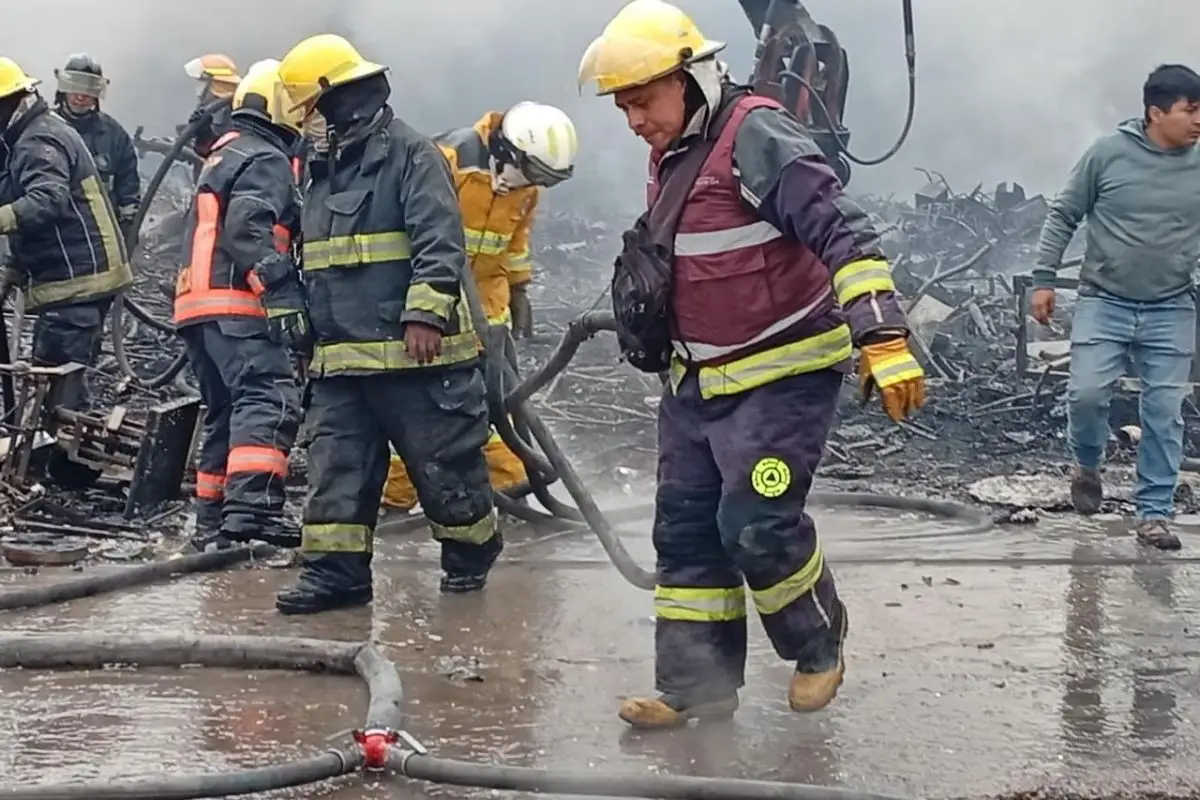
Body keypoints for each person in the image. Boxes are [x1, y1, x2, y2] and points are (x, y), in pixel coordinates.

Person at [578, 0, 925, 729]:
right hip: (697, 383)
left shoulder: (757, 133)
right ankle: (695, 684)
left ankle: (817, 643)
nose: (633, 120)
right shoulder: (673, 149)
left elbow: (845, 234)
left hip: (781, 378)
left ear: (689, 78)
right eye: (623, 108)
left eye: (641, 101)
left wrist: (882, 337)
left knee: (757, 523)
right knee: (686, 533)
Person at [273, 34, 501, 615]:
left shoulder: (410, 154)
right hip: (340, 361)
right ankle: (336, 575)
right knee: (336, 472)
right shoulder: (321, 172)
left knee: (445, 471)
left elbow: (439, 241)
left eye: (312, 112)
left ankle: (470, 556)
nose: (308, 125)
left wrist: (425, 313)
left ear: (339, 100)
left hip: (417, 361)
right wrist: (304, 334)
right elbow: (314, 261)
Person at [1032, 64, 1200, 551]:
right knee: (1085, 397)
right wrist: (1043, 280)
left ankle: (1153, 515)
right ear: (1155, 112)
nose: (1198, 120)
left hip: (1172, 306)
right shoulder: (1107, 155)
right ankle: (1087, 463)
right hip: (1104, 301)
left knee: (1164, 413)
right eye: (1190, 110)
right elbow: (1063, 213)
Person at [381, 101, 577, 512]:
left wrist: (520, 289)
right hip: (429, 305)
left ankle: (512, 490)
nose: (535, 185)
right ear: (508, 151)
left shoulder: (525, 189)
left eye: (546, 179)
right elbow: (409, 228)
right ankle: (395, 501)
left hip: (488, 310)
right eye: (536, 173)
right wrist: (418, 307)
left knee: (497, 404)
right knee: (418, 403)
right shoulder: (449, 160)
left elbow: (515, 244)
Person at [172, 59, 306, 553]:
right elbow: (249, 228)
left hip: (197, 305)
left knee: (225, 410)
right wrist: (280, 292)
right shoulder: (266, 158)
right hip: (237, 302)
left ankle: (211, 521)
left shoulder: (223, 153)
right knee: (269, 397)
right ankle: (253, 509)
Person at [0, 57, 133, 421]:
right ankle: (57, 459)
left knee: (56, 378)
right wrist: (14, 266)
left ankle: (63, 465)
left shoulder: (38, 139)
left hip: (78, 279)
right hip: (75, 277)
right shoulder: (30, 135)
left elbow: (48, 201)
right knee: (59, 374)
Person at [52, 54, 140, 244]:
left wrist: (128, 222)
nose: (81, 96)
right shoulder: (43, 129)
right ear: (64, 89)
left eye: (88, 89)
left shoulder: (113, 134)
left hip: (98, 233)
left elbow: (128, 181)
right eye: (75, 87)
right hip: (51, 232)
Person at [182, 53, 241, 158]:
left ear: (214, 82)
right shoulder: (208, 110)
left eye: (201, 81)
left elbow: (222, 155)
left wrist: (205, 135)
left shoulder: (232, 112)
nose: (198, 87)